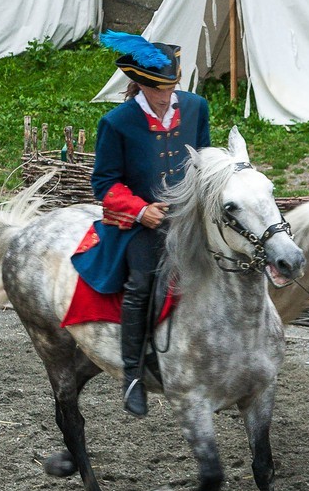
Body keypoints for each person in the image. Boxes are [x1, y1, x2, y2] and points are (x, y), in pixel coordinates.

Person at [70, 31, 210, 417]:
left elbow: (204, 160)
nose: (165, 95)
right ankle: (133, 373)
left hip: (188, 218)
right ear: (140, 85)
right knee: (142, 281)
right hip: (142, 224)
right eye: (156, 88)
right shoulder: (116, 123)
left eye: (170, 87)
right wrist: (139, 210)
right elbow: (104, 183)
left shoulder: (197, 108)